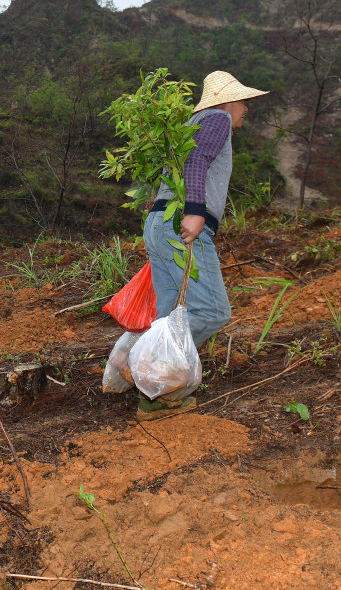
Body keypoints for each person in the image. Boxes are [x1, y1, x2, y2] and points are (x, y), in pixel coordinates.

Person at [140, 70, 268, 419]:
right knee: (213, 311)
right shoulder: (217, 118)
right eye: (243, 101)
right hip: (181, 226)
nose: (246, 109)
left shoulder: (191, 124)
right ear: (227, 100)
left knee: (172, 315)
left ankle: (158, 398)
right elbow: (198, 162)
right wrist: (196, 212)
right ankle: (149, 363)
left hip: (159, 223)